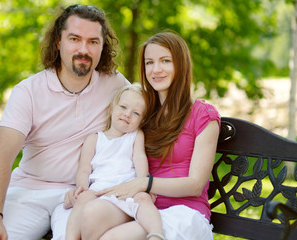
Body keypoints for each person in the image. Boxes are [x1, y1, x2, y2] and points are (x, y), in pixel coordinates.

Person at [0, 4, 129, 240]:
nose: (83, 49)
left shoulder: (116, 86)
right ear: (58, 42)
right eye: (74, 39)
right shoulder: (28, 91)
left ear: (102, 46)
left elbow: (154, 112)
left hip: (83, 193)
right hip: (29, 190)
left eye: (93, 42)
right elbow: (2, 156)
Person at [80, 31, 221, 240]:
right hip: (141, 204)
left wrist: (145, 183)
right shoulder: (142, 114)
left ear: (181, 65)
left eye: (165, 61)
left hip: (184, 211)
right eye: (149, 62)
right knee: (91, 215)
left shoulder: (203, 115)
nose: (156, 69)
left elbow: (195, 184)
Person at [63, 84, 164, 240]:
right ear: (112, 108)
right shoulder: (95, 138)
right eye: (123, 107)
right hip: (99, 190)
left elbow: (139, 158)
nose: (127, 114)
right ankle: (70, 237)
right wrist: (82, 186)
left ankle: (156, 233)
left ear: (141, 120)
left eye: (136, 113)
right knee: (83, 199)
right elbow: (84, 168)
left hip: (127, 189)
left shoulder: (135, 135)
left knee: (143, 200)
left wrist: (143, 182)